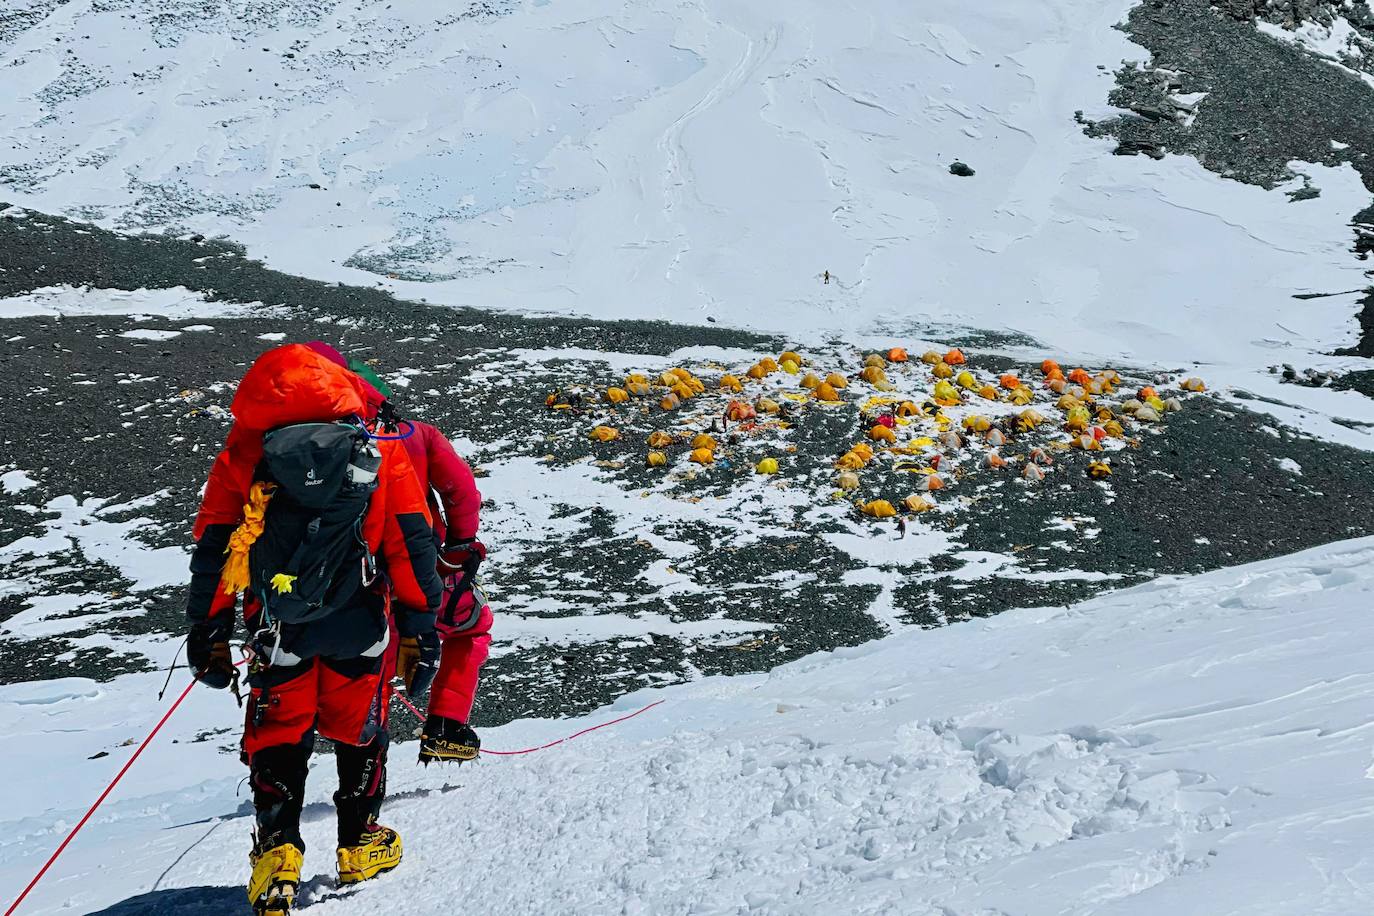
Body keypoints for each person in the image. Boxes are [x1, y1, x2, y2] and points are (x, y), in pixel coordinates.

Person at [184, 343, 442, 916]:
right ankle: (359, 841)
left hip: (276, 627)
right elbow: (411, 542)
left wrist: (208, 631)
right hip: (361, 624)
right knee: (361, 729)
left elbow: (217, 547)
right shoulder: (376, 447)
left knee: (279, 734)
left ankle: (277, 853)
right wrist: (421, 626)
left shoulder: (244, 453)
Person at [393, 419, 493, 765]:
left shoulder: (286, 432)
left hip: (320, 573)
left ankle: (273, 757)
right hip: (421, 561)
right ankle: (446, 729)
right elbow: (460, 488)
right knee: (471, 625)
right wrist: (460, 544)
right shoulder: (412, 433)